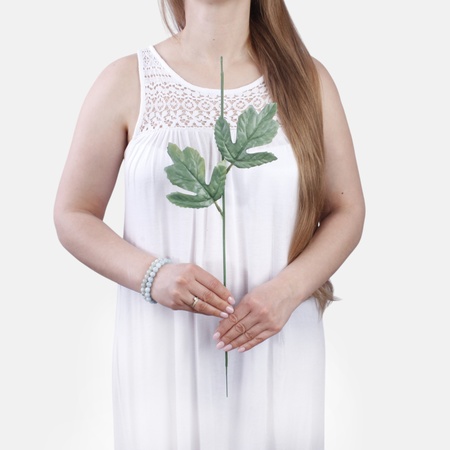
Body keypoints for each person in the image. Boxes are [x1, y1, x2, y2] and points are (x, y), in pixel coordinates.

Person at [54, 0, 365, 448]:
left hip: (277, 349)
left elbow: (346, 210)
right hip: (162, 357)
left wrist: (288, 291)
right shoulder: (126, 80)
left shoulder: (308, 80)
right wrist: (152, 275)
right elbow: (73, 213)